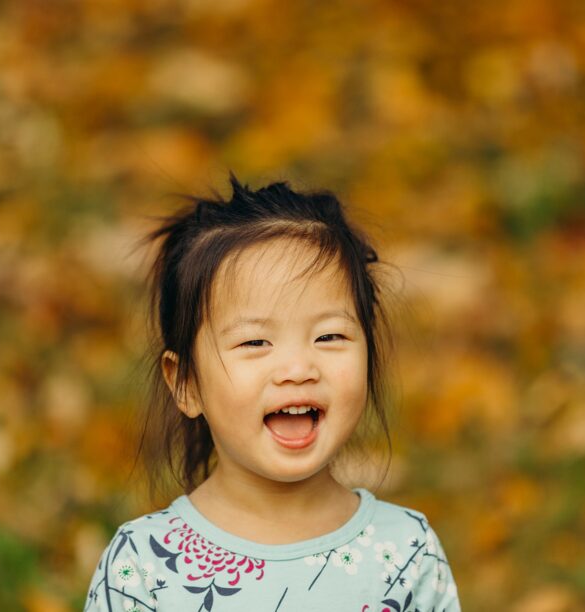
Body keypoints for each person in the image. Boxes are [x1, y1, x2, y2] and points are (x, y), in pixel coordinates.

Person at [85, 178, 460, 610]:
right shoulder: (144, 565)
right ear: (186, 382)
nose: (298, 369)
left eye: (329, 336)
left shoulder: (407, 553)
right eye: (254, 342)